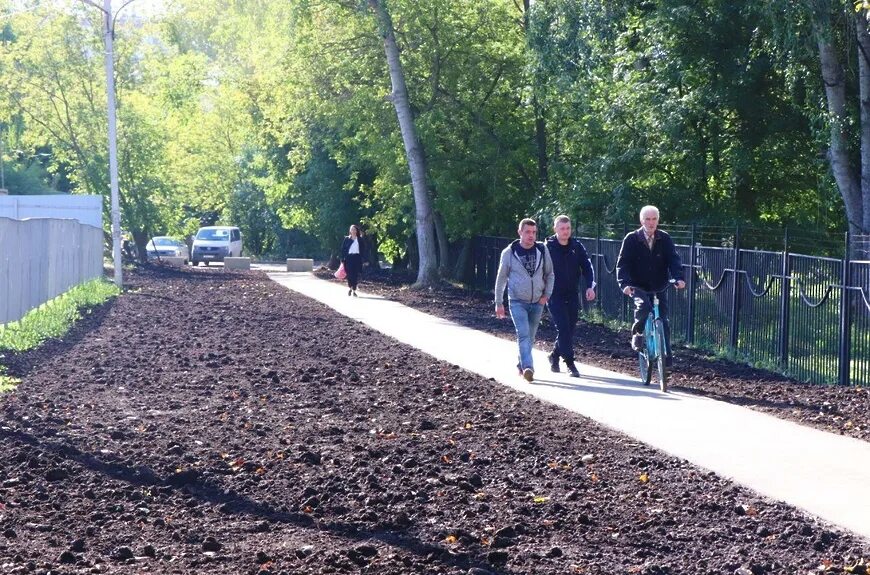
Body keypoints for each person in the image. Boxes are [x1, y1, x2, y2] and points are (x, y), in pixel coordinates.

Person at [615, 205, 685, 365]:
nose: (651, 222)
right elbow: (623, 264)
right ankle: (637, 333)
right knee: (644, 307)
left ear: (658, 220)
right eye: (647, 219)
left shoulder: (664, 238)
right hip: (637, 286)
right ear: (641, 220)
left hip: (659, 285)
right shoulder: (632, 239)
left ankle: (667, 358)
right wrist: (624, 284)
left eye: (654, 219)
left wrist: (678, 278)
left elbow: (673, 260)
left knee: (664, 321)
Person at [494, 218, 554, 382]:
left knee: (531, 336)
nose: (531, 235)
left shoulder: (542, 250)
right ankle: (528, 367)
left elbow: (550, 274)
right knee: (523, 334)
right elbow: (501, 278)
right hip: (517, 301)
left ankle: (521, 364)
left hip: (537, 301)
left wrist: (546, 296)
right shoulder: (509, 253)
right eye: (527, 232)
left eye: (534, 232)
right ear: (520, 232)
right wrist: (499, 303)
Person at [545, 215, 596, 378]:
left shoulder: (577, 246)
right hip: (553, 294)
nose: (565, 231)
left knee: (570, 328)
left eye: (567, 228)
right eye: (562, 228)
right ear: (555, 229)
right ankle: (570, 363)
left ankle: (554, 355)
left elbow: (588, 267)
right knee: (563, 327)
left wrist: (590, 286)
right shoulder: (547, 247)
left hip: (572, 293)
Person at [340, 224, 366, 296]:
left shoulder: (360, 239)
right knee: (349, 274)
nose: (353, 231)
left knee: (355, 274)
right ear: (350, 231)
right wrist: (342, 258)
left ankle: (353, 289)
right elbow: (343, 249)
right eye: (352, 229)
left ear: (356, 230)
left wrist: (364, 259)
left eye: (354, 229)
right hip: (348, 258)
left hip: (357, 258)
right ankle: (350, 287)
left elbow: (363, 249)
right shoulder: (347, 239)